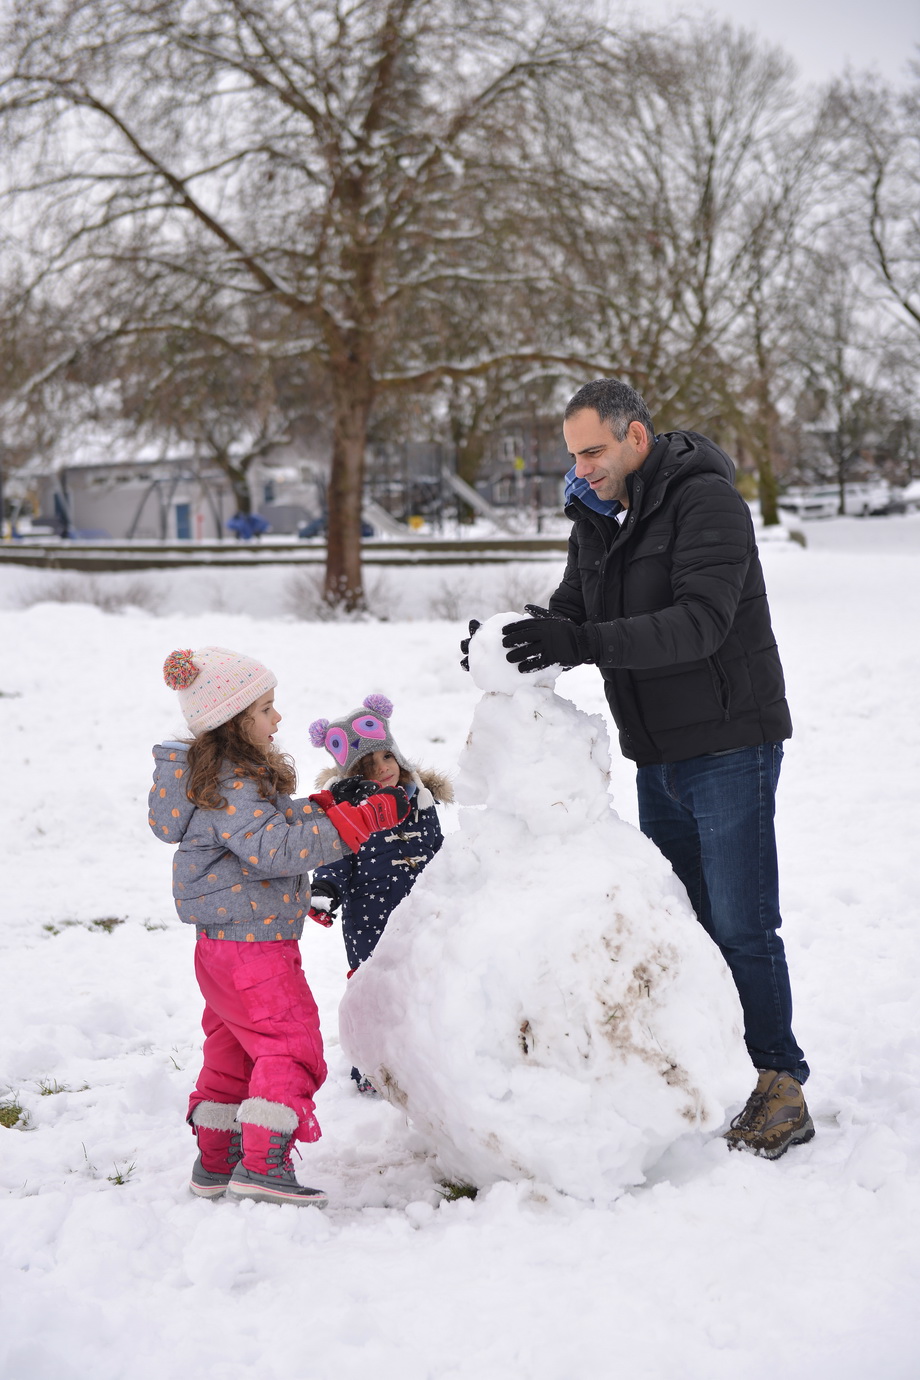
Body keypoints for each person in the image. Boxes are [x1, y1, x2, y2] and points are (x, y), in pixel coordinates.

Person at [463, 377, 813, 1161]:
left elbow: (700, 624)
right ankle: (717, 1064)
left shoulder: (706, 502)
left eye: (593, 452)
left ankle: (779, 1082)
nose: (581, 468)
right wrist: (511, 643)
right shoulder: (597, 516)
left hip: (731, 742)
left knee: (742, 924)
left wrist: (580, 643)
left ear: (637, 438)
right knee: (684, 920)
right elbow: (571, 613)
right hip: (657, 750)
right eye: (573, 455)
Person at [149, 646, 410, 1206]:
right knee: (291, 1045)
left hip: (222, 948)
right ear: (233, 720)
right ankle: (264, 1163)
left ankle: (217, 1160)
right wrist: (359, 821)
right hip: (255, 949)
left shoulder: (219, 780)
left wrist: (328, 803)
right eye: (266, 708)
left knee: (236, 1052)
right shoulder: (234, 785)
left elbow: (272, 822)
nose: (278, 717)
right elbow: (275, 848)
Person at [307, 694, 452, 1094]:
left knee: (423, 984)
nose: (383, 769)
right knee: (374, 993)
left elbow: (437, 849)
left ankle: (426, 1059)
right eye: (369, 766)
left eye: (387, 757)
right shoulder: (347, 811)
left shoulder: (420, 799)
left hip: (421, 914)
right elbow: (336, 858)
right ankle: (374, 1069)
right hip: (370, 920)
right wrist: (325, 889)